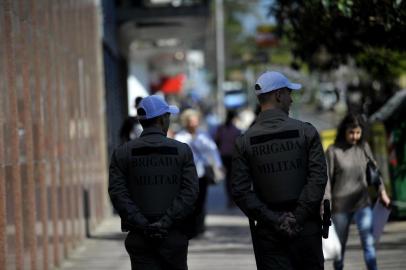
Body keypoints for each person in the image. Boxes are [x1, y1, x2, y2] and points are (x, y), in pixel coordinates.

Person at [231, 71, 328, 269]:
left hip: (269, 233)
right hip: (305, 230)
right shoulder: (306, 132)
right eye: (288, 93)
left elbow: (240, 191)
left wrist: (274, 220)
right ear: (278, 95)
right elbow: (317, 179)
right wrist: (298, 217)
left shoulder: (244, 141)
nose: (291, 99)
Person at [109, 95, 199, 270]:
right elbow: (190, 192)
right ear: (162, 119)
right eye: (168, 116)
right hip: (173, 236)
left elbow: (118, 194)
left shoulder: (122, 153)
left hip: (140, 238)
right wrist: (165, 222)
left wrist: (143, 224)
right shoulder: (182, 151)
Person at [325, 113, 390, 270]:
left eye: (358, 133)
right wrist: (325, 205)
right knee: (339, 248)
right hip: (340, 207)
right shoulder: (333, 151)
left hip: (362, 203)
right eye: (351, 133)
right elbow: (326, 180)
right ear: (344, 131)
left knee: (369, 243)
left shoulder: (363, 147)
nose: (355, 136)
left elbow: (374, 171)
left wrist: (382, 192)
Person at [175, 108, 223, 237]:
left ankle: (200, 228)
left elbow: (213, 150)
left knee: (201, 201)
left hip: (202, 173)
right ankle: (189, 229)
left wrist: (218, 165)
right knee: (189, 202)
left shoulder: (203, 135)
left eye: (195, 120)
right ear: (186, 122)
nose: (194, 123)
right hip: (186, 175)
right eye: (191, 120)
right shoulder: (180, 136)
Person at [214, 110, 241, 208]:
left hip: (223, 156)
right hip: (233, 156)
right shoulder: (236, 131)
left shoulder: (221, 128)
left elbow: (216, 141)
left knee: (227, 179)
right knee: (233, 178)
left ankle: (230, 199)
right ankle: (233, 199)